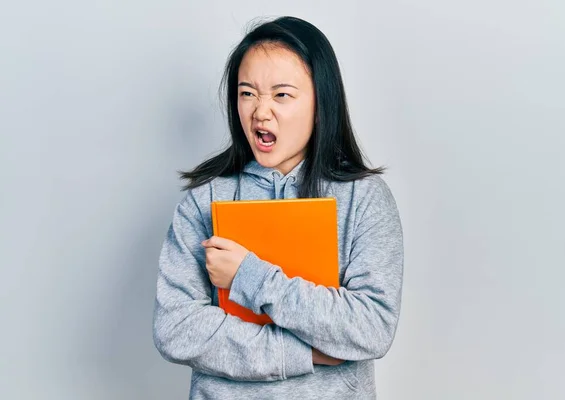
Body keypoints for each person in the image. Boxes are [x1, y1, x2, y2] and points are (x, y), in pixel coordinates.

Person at [153, 16, 404, 399]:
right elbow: (176, 328)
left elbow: (371, 328)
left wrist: (248, 276)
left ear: (322, 103)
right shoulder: (204, 200)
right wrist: (304, 352)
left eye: (281, 95)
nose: (259, 111)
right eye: (247, 93)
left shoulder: (364, 198)